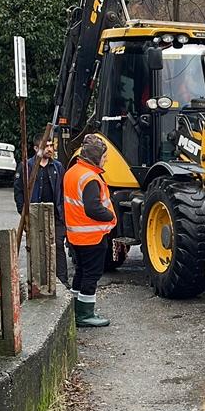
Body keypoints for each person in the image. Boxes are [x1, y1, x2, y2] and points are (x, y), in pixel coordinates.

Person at [63, 135, 118, 328]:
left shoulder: (73, 172)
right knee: (91, 275)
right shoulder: (90, 178)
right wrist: (111, 216)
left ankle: (74, 309)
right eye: (104, 156)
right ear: (95, 157)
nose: (106, 160)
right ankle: (85, 315)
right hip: (91, 236)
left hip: (76, 235)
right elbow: (93, 208)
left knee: (81, 272)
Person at [14, 132, 69, 286]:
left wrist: (63, 213)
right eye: (46, 146)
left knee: (58, 246)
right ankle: (38, 282)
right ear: (37, 148)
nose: (50, 149)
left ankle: (62, 281)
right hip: (35, 214)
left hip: (56, 214)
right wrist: (23, 213)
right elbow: (18, 191)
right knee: (37, 248)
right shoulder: (27, 166)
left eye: (51, 146)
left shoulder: (57, 166)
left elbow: (63, 190)